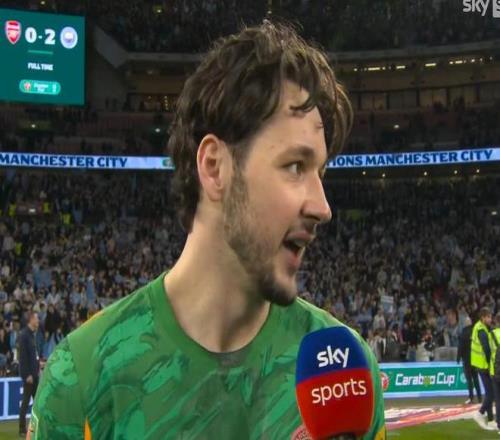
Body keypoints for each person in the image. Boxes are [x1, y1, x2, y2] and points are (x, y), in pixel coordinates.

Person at [31, 22, 386, 439]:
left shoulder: (344, 371)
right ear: (215, 167)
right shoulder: (83, 375)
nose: (323, 207)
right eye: (295, 166)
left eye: (320, 173)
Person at [471, 307, 495, 431]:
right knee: (492, 393)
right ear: (483, 317)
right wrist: (491, 363)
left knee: (489, 392)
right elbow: (486, 349)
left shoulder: (481, 327)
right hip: (483, 365)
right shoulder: (481, 330)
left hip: (480, 364)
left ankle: (490, 420)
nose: (490, 319)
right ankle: (480, 413)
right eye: (488, 317)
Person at [18, 311, 40, 436]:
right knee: (26, 402)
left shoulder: (32, 335)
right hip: (29, 376)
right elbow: (23, 357)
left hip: (34, 374)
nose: (38, 321)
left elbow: (33, 355)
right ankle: (22, 429)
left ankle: (36, 427)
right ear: (31, 319)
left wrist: (38, 366)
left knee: (37, 402)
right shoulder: (24, 335)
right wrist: (27, 375)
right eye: (36, 319)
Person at [457, 316, 482, 404]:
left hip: (467, 360)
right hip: (474, 359)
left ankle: (471, 398)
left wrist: (458, 358)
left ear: (465, 324)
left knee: (469, 380)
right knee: (476, 379)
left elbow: (461, 347)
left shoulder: (463, 333)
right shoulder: (475, 331)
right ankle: (480, 397)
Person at [489, 312, 500, 434]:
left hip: (494, 371)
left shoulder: (491, 335)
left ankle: (499, 425)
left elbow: (488, 351)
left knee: (498, 399)